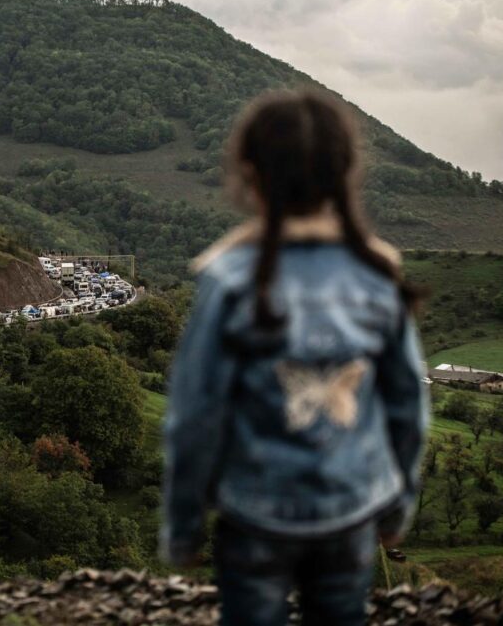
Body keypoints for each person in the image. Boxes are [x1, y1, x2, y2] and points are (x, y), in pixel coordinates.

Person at [160, 90, 428, 626]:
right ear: (345, 173)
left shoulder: (227, 279)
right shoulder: (376, 273)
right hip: (351, 508)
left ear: (250, 175)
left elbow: (195, 416)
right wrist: (398, 506)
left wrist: (185, 524)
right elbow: (407, 405)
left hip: (254, 512)